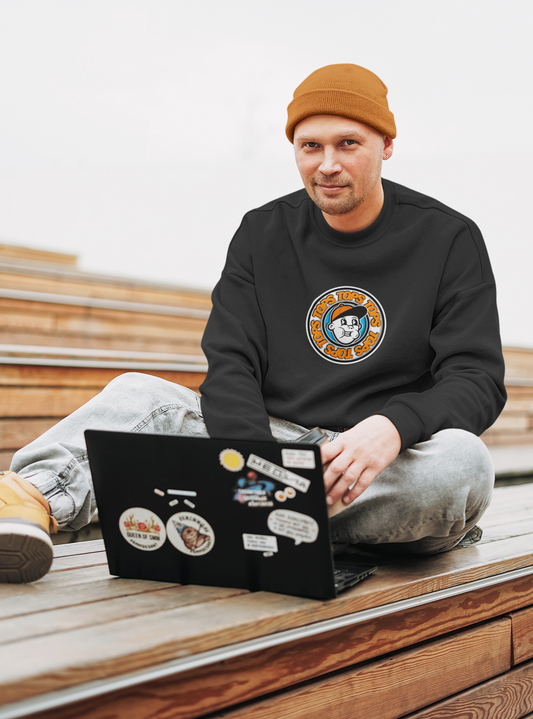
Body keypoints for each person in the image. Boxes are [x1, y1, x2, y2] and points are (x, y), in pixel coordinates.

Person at [0, 63, 506, 584]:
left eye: (348, 143)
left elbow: (477, 379)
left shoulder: (448, 238)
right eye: (310, 146)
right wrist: (255, 466)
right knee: (137, 397)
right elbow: (231, 363)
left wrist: (391, 428)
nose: (328, 164)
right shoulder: (262, 232)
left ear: (386, 145)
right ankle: (26, 502)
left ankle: (249, 518)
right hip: (265, 448)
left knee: (461, 463)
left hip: (378, 461)